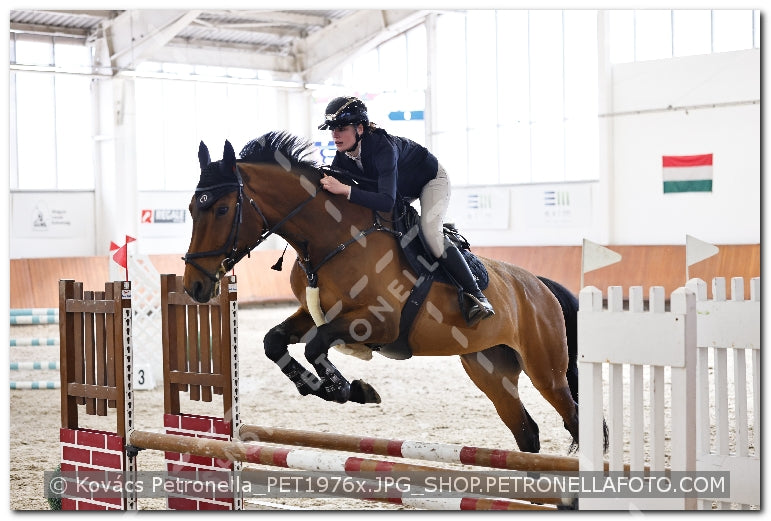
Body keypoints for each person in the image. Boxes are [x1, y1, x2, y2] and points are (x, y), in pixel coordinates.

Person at [318, 96, 494, 326]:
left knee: (430, 232)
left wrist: (345, 189)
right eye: (332, 129)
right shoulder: (342, 156)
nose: (334, 135)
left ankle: (476, 295)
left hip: (430, 181)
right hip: (399, 190)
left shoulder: (383, 147)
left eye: (341, 129)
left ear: (359, 128)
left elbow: (385, 201)